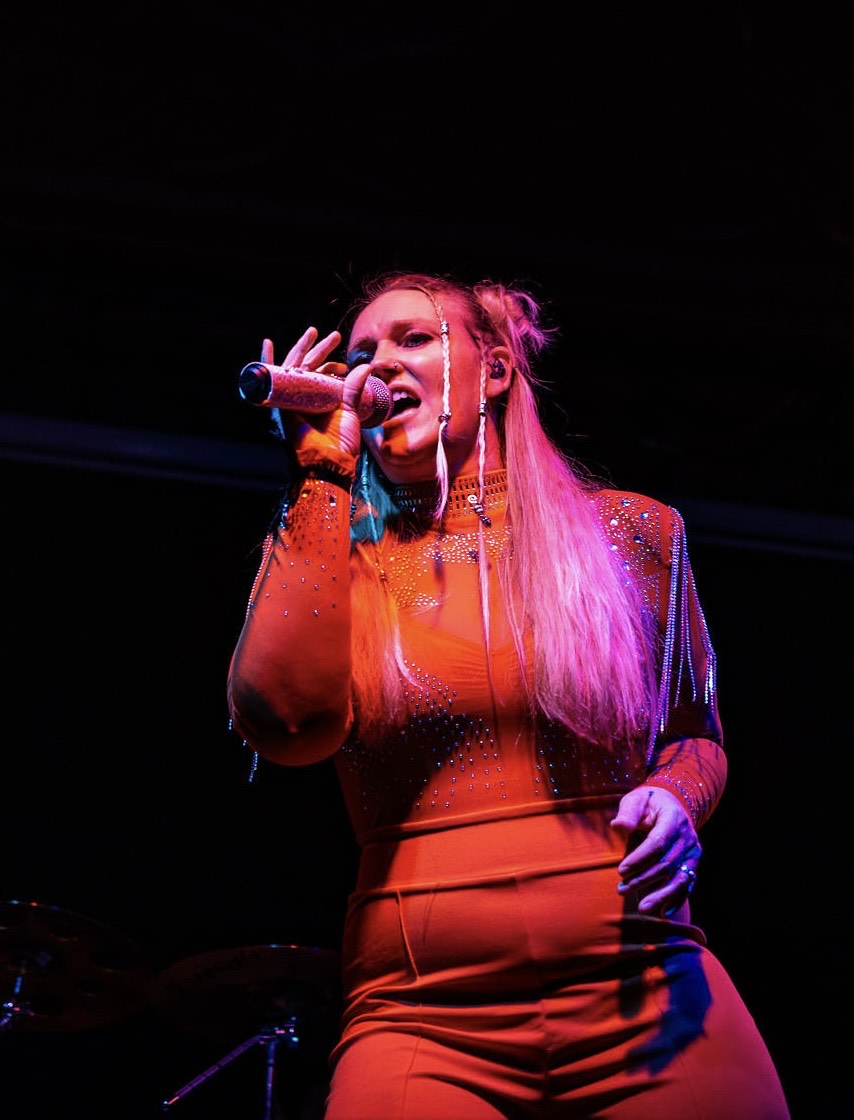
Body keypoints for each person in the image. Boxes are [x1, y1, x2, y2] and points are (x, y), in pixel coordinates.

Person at [227, 270, 790, 1119]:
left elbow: (693, 735)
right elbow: (284, 725)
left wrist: (676, 799)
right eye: (364, 350)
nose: (377, 366)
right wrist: (319, 475)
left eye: (413, 339)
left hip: (643, 988)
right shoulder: (336, 557)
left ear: (492, 371)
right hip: (421, 1016)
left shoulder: (631, 534)